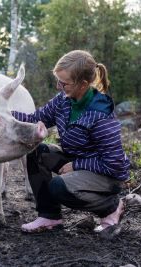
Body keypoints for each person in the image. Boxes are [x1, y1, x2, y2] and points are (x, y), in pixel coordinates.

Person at [11, 50, 130, 233]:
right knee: (37, 151)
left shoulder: (100, 114)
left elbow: (114, 164)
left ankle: (111, 207)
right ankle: (49, 217)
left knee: (58, 187)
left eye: (64, 83)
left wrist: (76, 165)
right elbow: (35, 119)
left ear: (82, 84)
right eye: (57, 80)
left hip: (106, 175)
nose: (59, 86)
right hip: (78, 162)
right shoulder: (64, 100)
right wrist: (2, 116)